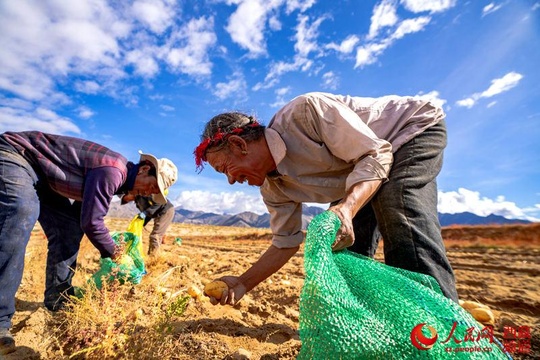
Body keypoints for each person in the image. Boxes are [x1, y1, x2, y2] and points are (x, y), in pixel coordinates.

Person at [193, 92, 459, 307]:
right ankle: (370, 321)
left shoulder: (305, 113)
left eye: (224, 168)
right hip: (360, 171)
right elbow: (285, 243)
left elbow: (375, 155)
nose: (230, 180)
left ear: (240, 145)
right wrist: (242, 283)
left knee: (398, 209)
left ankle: (442, 326)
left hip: (406, 132)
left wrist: (347, 207)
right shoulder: (273, 189)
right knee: (344, 247)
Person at [0, 130, 178, 355]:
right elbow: (92, 222)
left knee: (68, 230)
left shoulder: (118, 178)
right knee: (20, 214)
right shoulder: (113, 171)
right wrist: (115, 253)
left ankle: (58, 298)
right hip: (18, 155)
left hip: (43, 177)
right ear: (144, 169)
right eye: (152, 186)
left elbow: (81, 217)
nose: (148, 193)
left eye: (154, 193)